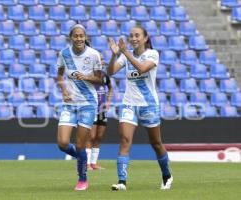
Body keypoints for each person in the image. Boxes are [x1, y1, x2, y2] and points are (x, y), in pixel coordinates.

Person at [107, 27, 173, 191]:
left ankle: (167, 175)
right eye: (131, 36)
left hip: (149, 105)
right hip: (129, 104)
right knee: (124, 140)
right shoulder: (124, 55)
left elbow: (143, 68)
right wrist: (114, 54)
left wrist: (125, 53)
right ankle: (122, 182)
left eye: (137, 35)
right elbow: (110, 72)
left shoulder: (152, 54)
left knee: (156, 143)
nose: (134, 38)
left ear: (145, 38)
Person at [56, 24, 102, 191]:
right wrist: (64, 90)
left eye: (81, 36)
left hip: (88, 104)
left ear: (85, 37)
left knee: (81, 144)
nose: (79, 39)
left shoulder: (94, 55)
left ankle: (82, 179)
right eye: (76, 36)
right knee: (62, 143)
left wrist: (87, 77)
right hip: (69, 104)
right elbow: (60, 76)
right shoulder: (64, 54)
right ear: (71, 37)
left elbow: (100, 80)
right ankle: (83, 158)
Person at [86, 54, 113, 170]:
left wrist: (108, 101)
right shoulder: (89, 75)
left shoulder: (105, 76)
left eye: (102, 59)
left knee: (99, 136)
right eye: (99, 59)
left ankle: (93, 163)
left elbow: (110, 88)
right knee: (91, 136)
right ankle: (86, 164)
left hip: (102, 109)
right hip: (92, 108)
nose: (102, 61)